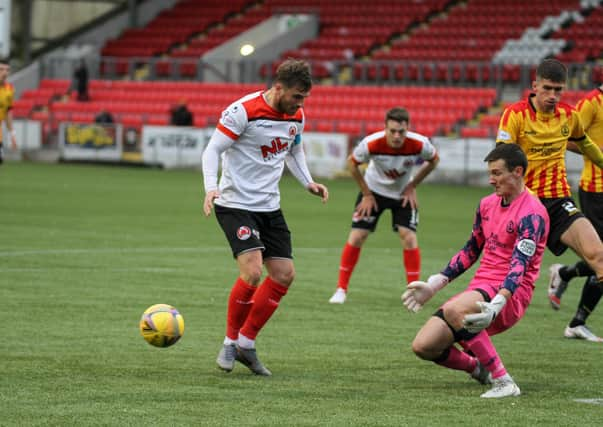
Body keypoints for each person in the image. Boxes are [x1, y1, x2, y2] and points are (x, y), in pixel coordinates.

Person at [202, 59, 329, 376]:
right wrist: (210, 188)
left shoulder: (296, 116)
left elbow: (293, 150)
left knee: (285, 274)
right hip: (234, 204)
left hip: (269, 206)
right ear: (278, 88)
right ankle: (230, 342)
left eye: (303, 98)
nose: (300, 104)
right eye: (296, 96)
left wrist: (307, 182)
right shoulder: (244, 110)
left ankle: (246, 343)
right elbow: (212, 150)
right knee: (253, 271)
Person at [402, 143, 549, 399]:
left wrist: (499, 302)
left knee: (453, 309)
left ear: (517, 171)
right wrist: (434, 284)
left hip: (512, 293)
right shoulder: (486, 205)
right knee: (424, 346)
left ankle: (504, 382)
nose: (491, 180)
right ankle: (478, 368)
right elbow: (471, 250)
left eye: (496, 173)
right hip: (481, 288)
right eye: (490, 173)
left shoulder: (532, 213)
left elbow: (519, 266)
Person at [495, 58, 603, 341]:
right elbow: (501, 160)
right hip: (522, 205)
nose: (553, 96)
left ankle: (577, 315)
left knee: (599, 256)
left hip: (558, 202)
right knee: (506, 285)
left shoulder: (568, 115)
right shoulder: (514, 115)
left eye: (559, 90)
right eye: (548, 89)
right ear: (535, 86)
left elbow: (585, 143)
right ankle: (474, 337)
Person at [328, 107, 439, 304]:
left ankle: (413, 292)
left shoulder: (419, 143)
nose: (397, 136)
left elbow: (434, 160)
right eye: (392, 131)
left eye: (401, 132)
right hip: (373, 192)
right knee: (357, 236)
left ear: (408, 129)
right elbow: (351, 164)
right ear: (385, 128)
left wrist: (413, 185)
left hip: (403, 194)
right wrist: (366, 194)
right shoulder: (371, 143)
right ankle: (341, 290)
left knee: (409, 237)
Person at [546, 83, 603, 342]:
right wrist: (594, 151)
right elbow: (568, 138)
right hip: (596, 190)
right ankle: (577, 322)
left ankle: (564, 274)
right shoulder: (592, 102)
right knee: (599, 256)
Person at [0, 57, 17, 165]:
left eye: (7, 70)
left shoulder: (10, 89)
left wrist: (12, 134)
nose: (5, 73)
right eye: (1, 69)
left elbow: (8, 112)